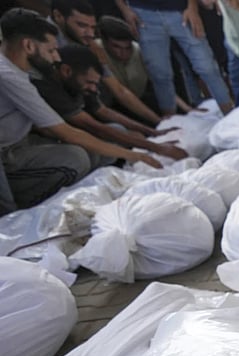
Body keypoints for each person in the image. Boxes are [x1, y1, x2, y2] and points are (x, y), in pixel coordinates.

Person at [0, 8, 158, 213]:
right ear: (28, 46)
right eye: (51, 51)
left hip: (22, 144)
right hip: (7, 154)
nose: (56, 57)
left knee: (96, 149)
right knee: (76, 159)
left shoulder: (20, 71)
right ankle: (29, 211)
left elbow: (49, 127)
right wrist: (136, 155)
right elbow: (66, 131)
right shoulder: (8, 76)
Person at [31, 42, 187, 165]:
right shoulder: (49, 88)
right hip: (43, 145)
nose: (92, 88)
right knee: (81, 158)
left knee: (119, 130)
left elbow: (103, 111)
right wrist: (156, 148)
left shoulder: (76, 82)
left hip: (71, 136)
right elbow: (94, 127)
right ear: (66, 71)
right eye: (89, 82)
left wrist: (152, 132)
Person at [48, 0, 163, 123]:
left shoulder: (88, 43)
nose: (90, 34)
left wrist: (159, 122)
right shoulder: (43, 41)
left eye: (92, 27)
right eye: (82, 25)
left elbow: (119, 90)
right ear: (58, 16)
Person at [112, 0, 232, 115]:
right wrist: (125, 10)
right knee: (159, 73)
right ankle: (170, 122)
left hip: (180, 10)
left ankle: (229, 113)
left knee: (207, 67)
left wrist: (192, 8)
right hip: (143, 14)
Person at [97, 15, 191, 113]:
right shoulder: (96, 51)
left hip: (140, 99)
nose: (123, 53)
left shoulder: (140, 52)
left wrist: (187, 108)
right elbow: (120, 93)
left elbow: (161, 84)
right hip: (111, 105)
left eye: (127, 48)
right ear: (105, 42)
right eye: (116, 47)